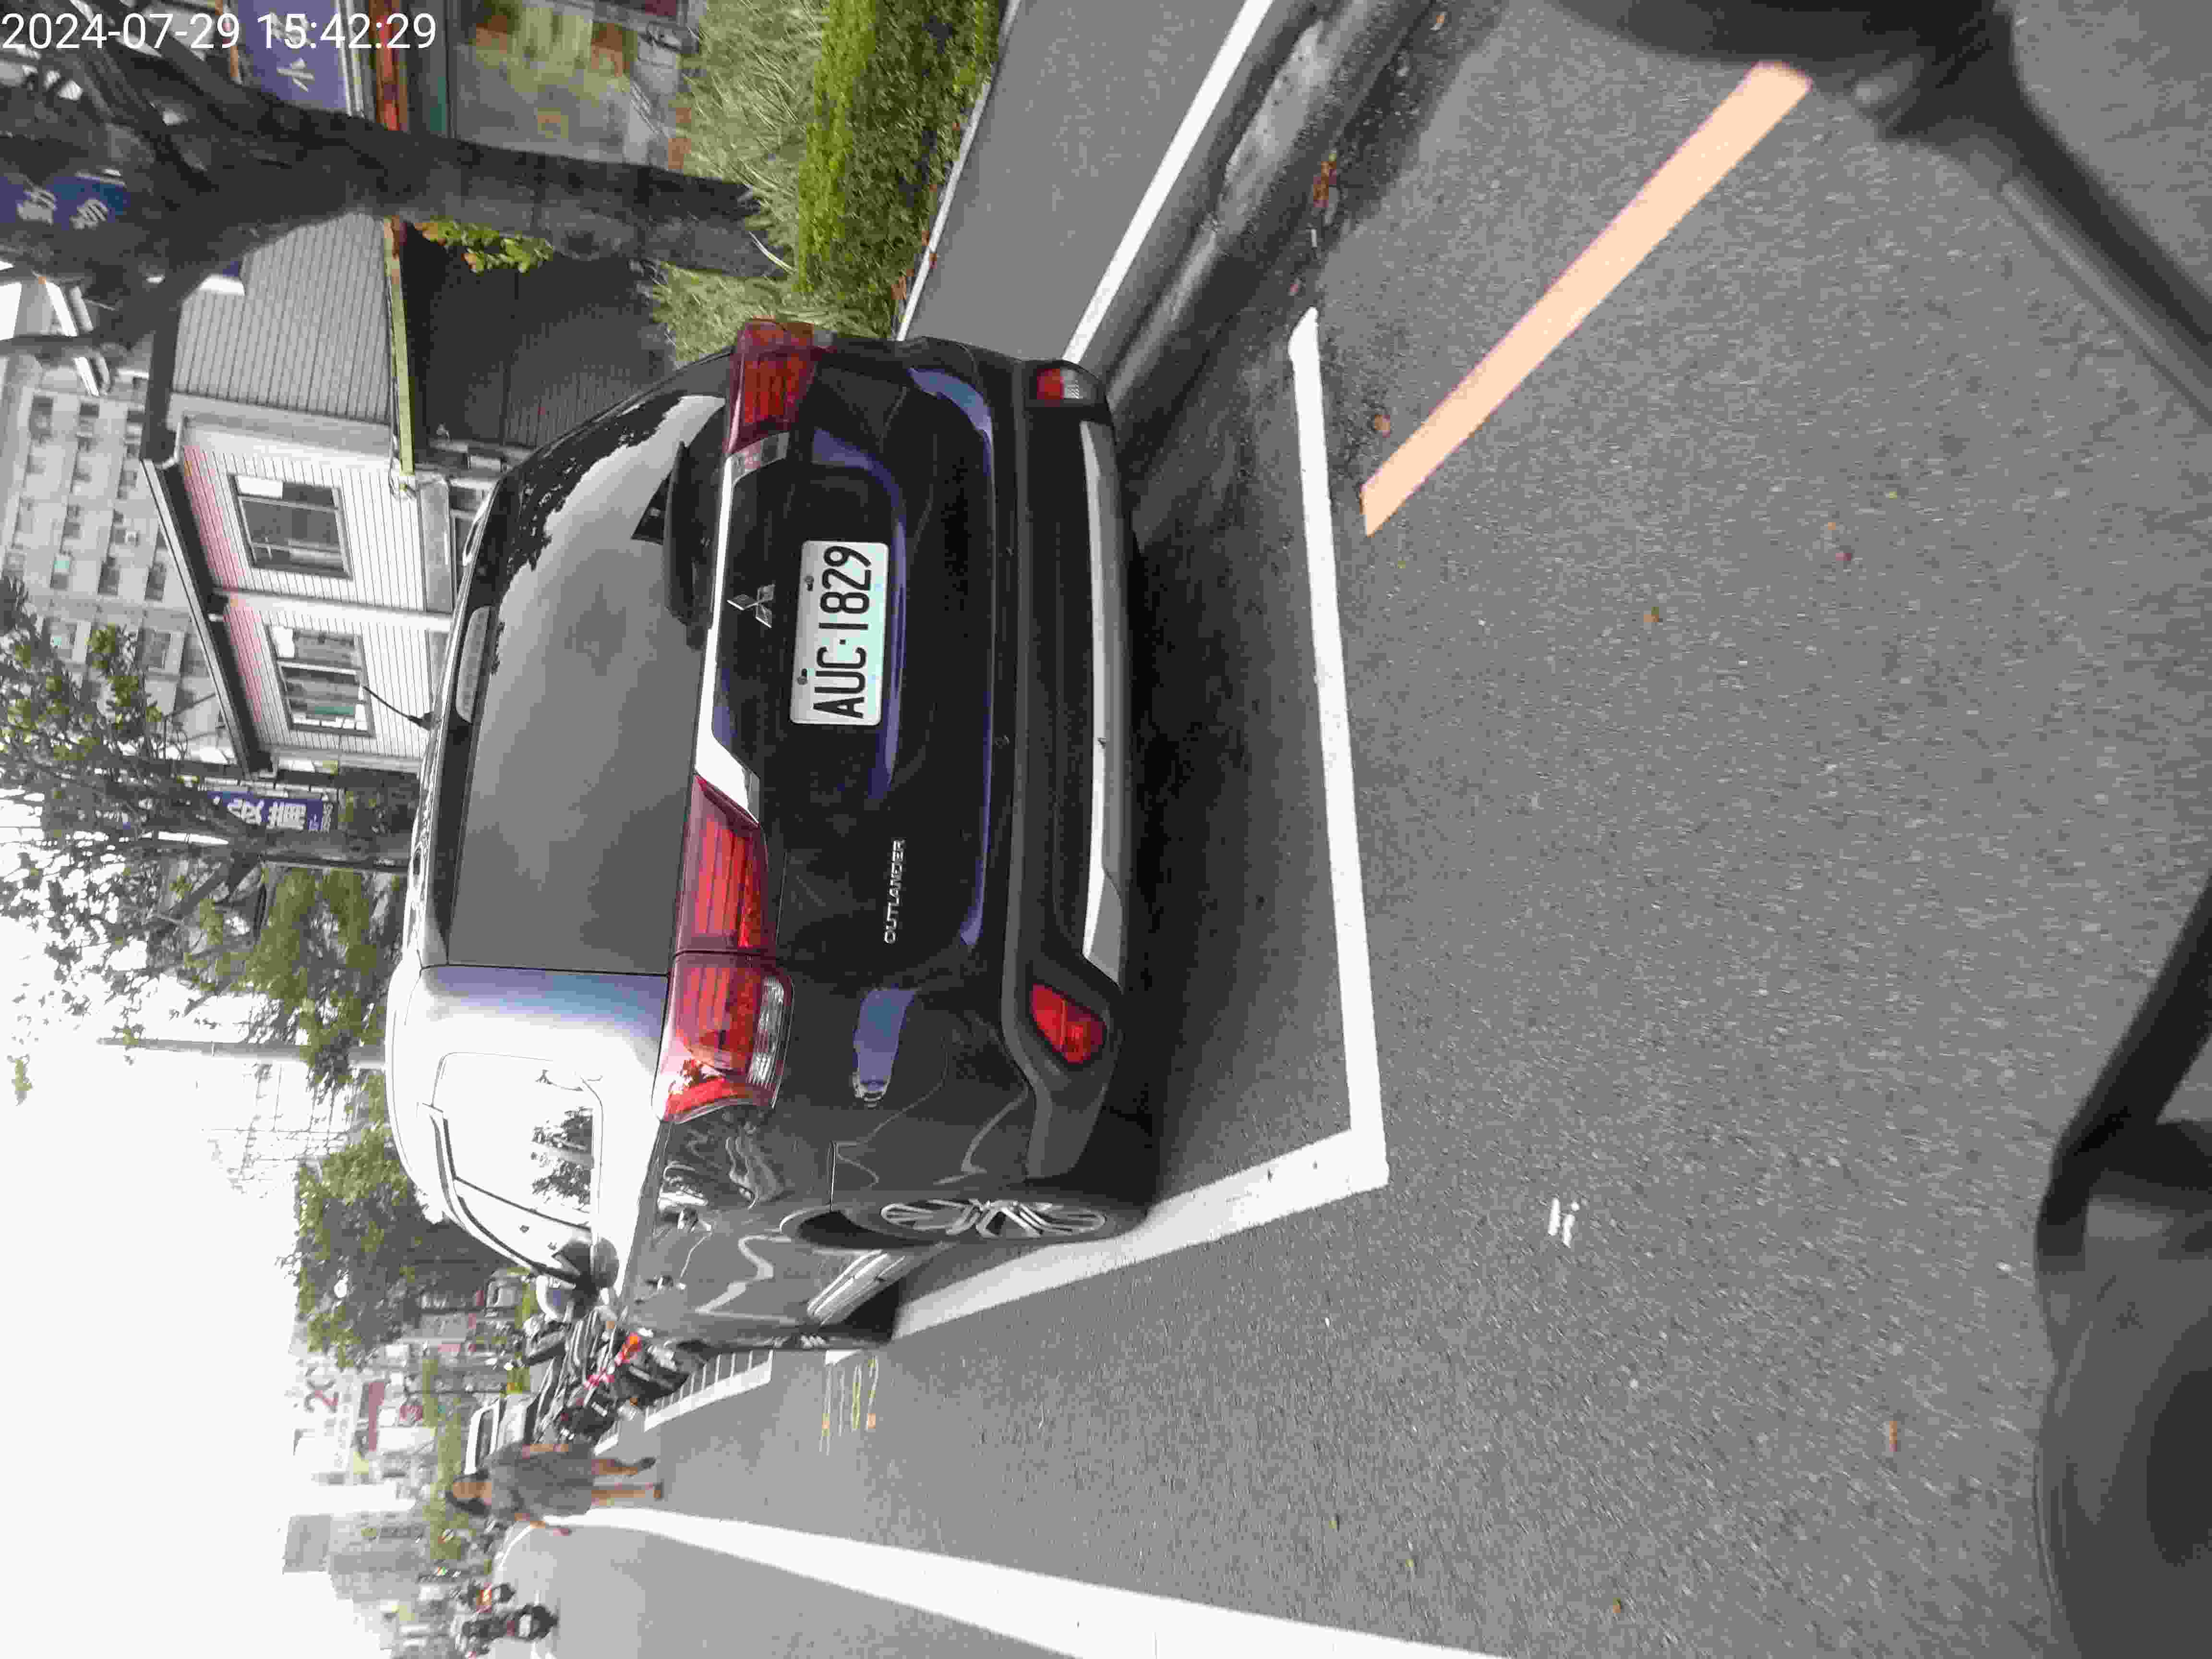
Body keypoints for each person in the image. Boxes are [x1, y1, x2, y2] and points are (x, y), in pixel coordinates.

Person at [446, 1442, 662, 1533]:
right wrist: (552, 1529)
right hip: (553, 1499)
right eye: (462, 1494)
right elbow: (525, 1517)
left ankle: (629, 1469)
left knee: (603, 1466)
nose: (465, 1489)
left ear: (466, 1478)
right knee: (602, 1494)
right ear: (467, 1502)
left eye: (462, 1484)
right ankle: (647, 1490)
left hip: (553, 1467)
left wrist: (555, 1447)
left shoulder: (491, 1463)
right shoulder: (494, 1510)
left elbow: (525, 1452)